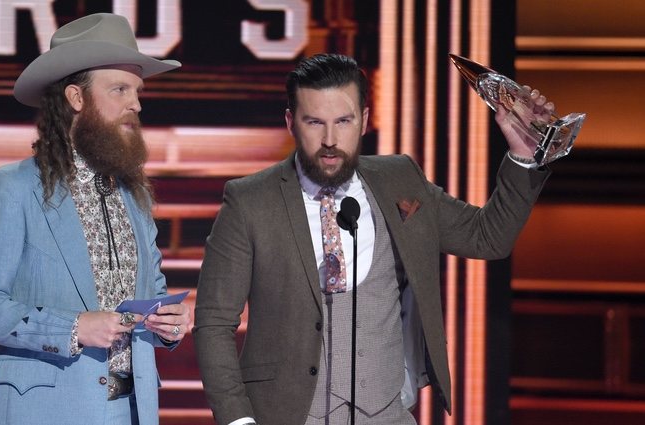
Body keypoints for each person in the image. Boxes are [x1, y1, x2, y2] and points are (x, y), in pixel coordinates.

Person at [193, 53, 554, 425]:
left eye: (343, 121)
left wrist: (523, 157)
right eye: (315, 122)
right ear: (290, 122)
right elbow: (213, 322)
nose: (330, 140)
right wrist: (238, 420)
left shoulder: (400, 179)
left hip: (387, 414)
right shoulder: (250, 201)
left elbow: (487, 237)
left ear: (364, 120)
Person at [0, 13, 191, 425]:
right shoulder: (11, 188)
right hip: (45, 410)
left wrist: (168, 322)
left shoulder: (134, 196)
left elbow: (151, 294)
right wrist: (70, 328)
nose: (135, 103)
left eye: (137, 91)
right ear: (76, 98)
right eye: (119, 89)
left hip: (132, 410)